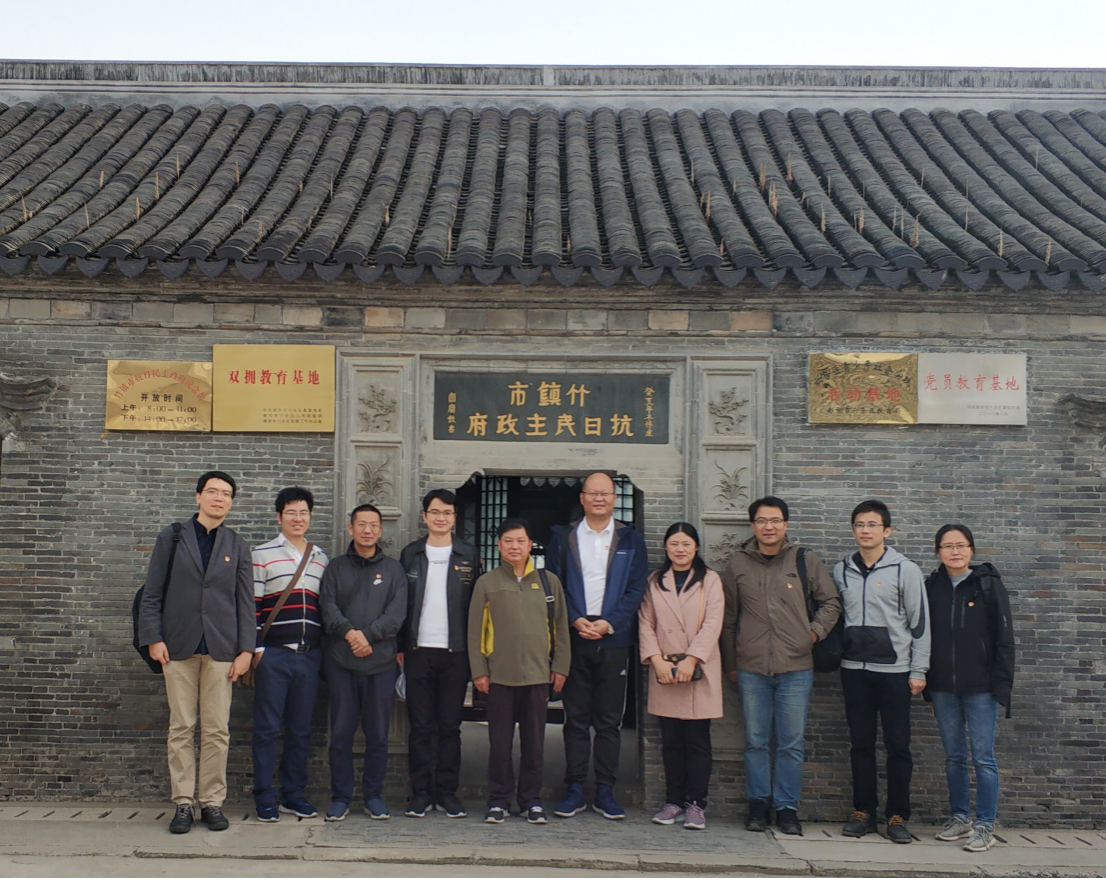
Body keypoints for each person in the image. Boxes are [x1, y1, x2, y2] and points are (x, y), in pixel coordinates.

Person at [137, 471, 254, 834]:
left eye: (226, 494)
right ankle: (183, 803)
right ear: (198, 496)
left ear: (231, 502)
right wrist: (153, 637)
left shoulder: (237, 544)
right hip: (177, 647)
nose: (220, 498)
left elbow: (245, 602)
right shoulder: (172, 537)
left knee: (217, 729)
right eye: (213, 491)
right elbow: (152, 592)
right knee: (181, 727)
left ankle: (213, 802)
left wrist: (246, 649)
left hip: (222, 649)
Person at [720, 496, 841, 836]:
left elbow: (831, 602)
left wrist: (812, 634)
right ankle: (758, 805)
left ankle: (787, 808)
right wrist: (731, 663)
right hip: (751, 668)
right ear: (752, 525)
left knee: (791, 743)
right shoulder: (738, 565)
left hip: (796, 667)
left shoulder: (804, 559)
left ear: (785, 524)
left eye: (775, 520)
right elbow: (729, 620)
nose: (768, 527)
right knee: (755, 741)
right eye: (762, 520)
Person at [546, 472, 648, 821]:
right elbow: (555, 585)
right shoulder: (564, 537)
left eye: (605, 493)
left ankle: (606, 790)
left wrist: (611, 622)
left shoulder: (630, 539)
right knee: (575, 720)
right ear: (582, 498)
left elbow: (636, 589)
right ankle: (574, 788)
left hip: (614, 638)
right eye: (593, 493)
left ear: (614, 498)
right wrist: (575, 619)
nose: (599, 498)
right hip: (575, 636)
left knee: (608, 722)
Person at [833, 499, 930, 844]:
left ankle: (897, 815)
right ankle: (864, 812)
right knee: (860, 744)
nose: (865, 530)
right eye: (859, 524)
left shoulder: (906, 570)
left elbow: (920, 623)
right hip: (854, 670)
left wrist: (919, 669)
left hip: (895, 671)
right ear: (853, 530)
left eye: (872, 524)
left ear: (887, 531)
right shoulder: (841, 570)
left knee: (898, 746)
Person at [467, 518, 571, 825]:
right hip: (499, 676)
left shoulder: (549, 582)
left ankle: (531, 801)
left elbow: (561, 628)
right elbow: (475, 631)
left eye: (521, 541)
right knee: (499, 744)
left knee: (534, 744)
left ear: (530, 545)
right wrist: (479, 670)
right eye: (509, 541)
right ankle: (498, 800)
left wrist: (560, 666)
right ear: (499, 545)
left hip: (538, 676)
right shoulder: (487, 583)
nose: (515, 546)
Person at [924, 524, 1015, 854]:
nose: (955, 551)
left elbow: (1004, 639)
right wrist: (927, 682)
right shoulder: (931, 587)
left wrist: (1002, 686)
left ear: (971, 550)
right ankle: (960, 817)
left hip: (981, 687)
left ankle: (985, 825)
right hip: (943, 687)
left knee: (983, 758)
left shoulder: (988, 585)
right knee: (954, 757)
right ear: (938, 552)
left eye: (961, 545)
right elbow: (923, 636)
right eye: (947, 546)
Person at [319, 503, 407, 822]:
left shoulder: (394, 570)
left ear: (381, 530)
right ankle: (341, 797)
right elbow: (327, 606)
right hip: (341, 663)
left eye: (373, 525)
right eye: (361, 524)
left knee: (378, 735)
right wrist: (350, 634)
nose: (367, 530)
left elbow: (396, 614)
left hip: (381, 665)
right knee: (341, 734)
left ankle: (373, 796)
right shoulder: (335, 568)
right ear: (351, 528)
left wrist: (367, 636)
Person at [398, 488, 482, 820]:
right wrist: (400, 647)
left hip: (455, 653)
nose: (441, 518)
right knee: (420, 726)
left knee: (449, 726)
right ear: (424, 516)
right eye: (435, 512)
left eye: (447, 512)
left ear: (454, 517)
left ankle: (447, 792)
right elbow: (401, 603)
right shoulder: (411, 554)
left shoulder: (468, 554)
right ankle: (420, 792)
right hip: (417, 650)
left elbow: (477, 606)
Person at [250, 487, 330, 822]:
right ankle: (264, 797)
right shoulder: (262, 554)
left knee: (300, 729)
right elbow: (252, 605)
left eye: (303, 513)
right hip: (273, 655)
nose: (298, 519)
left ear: (310, 516)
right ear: (279, 516)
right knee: (266, 729)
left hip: (309, 656)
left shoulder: (321, 558)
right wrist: (256, 649)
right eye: (291, 513)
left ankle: (293, 795)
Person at [639, 523, 724, 831]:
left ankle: (696, 804)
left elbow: (713, 622)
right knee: (671, 741)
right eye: (674, 544)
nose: (680, 549)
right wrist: (655, 659)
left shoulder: (710, 580)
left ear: (696, 547)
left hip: (699, 669)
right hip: (665, 669)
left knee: (698, 741)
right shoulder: (654, 581)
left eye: (686, 544)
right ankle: (673, 801)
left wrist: (692, 659)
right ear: (666, 547)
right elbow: (645, 622)